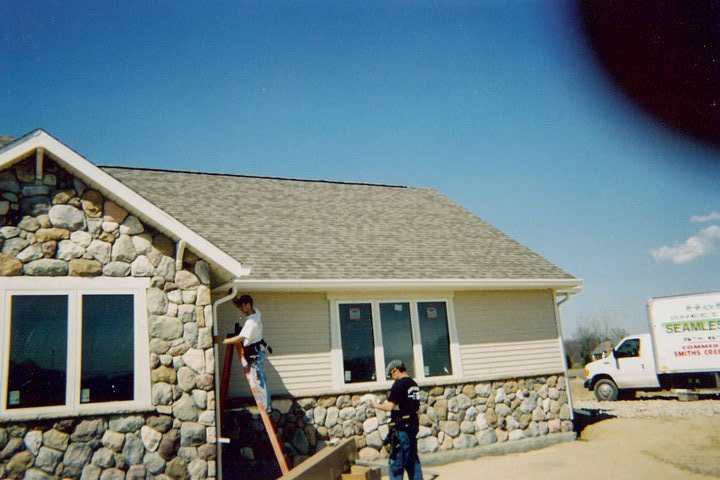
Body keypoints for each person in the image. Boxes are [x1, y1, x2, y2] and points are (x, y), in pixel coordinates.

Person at [372, 359, 423, 480]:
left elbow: (389, 406)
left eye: (391, 375)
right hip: (412, 427)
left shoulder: (399, 384)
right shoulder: (413, 384)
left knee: (396, 463)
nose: (392, 378)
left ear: (395, 371)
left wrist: (375, 405)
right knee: (412, 461)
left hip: (401, 429)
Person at [223, 294, 272, 411]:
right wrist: (236, 300)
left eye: (242, 306)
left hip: (254, 353)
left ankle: (266, 408)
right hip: (258, 350)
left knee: (258, 380)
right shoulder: (256, 312)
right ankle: (267, 406)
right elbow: (245, 310)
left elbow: (240, 338)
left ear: (248, 305)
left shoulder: (251, 322)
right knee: (262, 379)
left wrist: (223, 341)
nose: (240, 309)